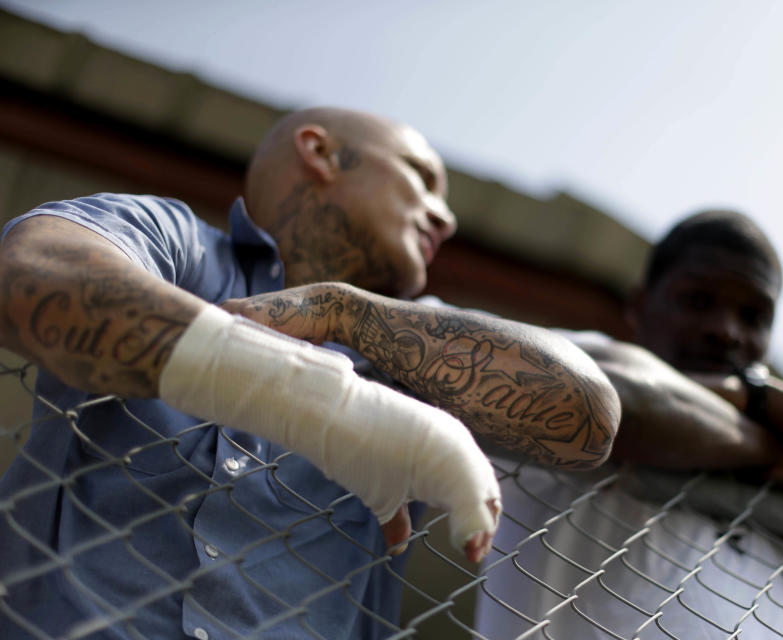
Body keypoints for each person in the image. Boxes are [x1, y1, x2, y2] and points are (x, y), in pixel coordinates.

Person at [0, 107, 620, 639]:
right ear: (321, 152)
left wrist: (344, 310)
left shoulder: (416, 347)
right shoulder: (174, 245)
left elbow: (587, 418)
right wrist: (334, 408)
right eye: (422, 178)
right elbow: (32, 276)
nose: (446, 218)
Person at [476, 209, 783, 638]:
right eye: (698, 300)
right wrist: (769, 455)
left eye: (753, 315)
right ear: (640, 306)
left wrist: (756, 398)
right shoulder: (582, 357)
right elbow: (612, 406)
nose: (725, 331)